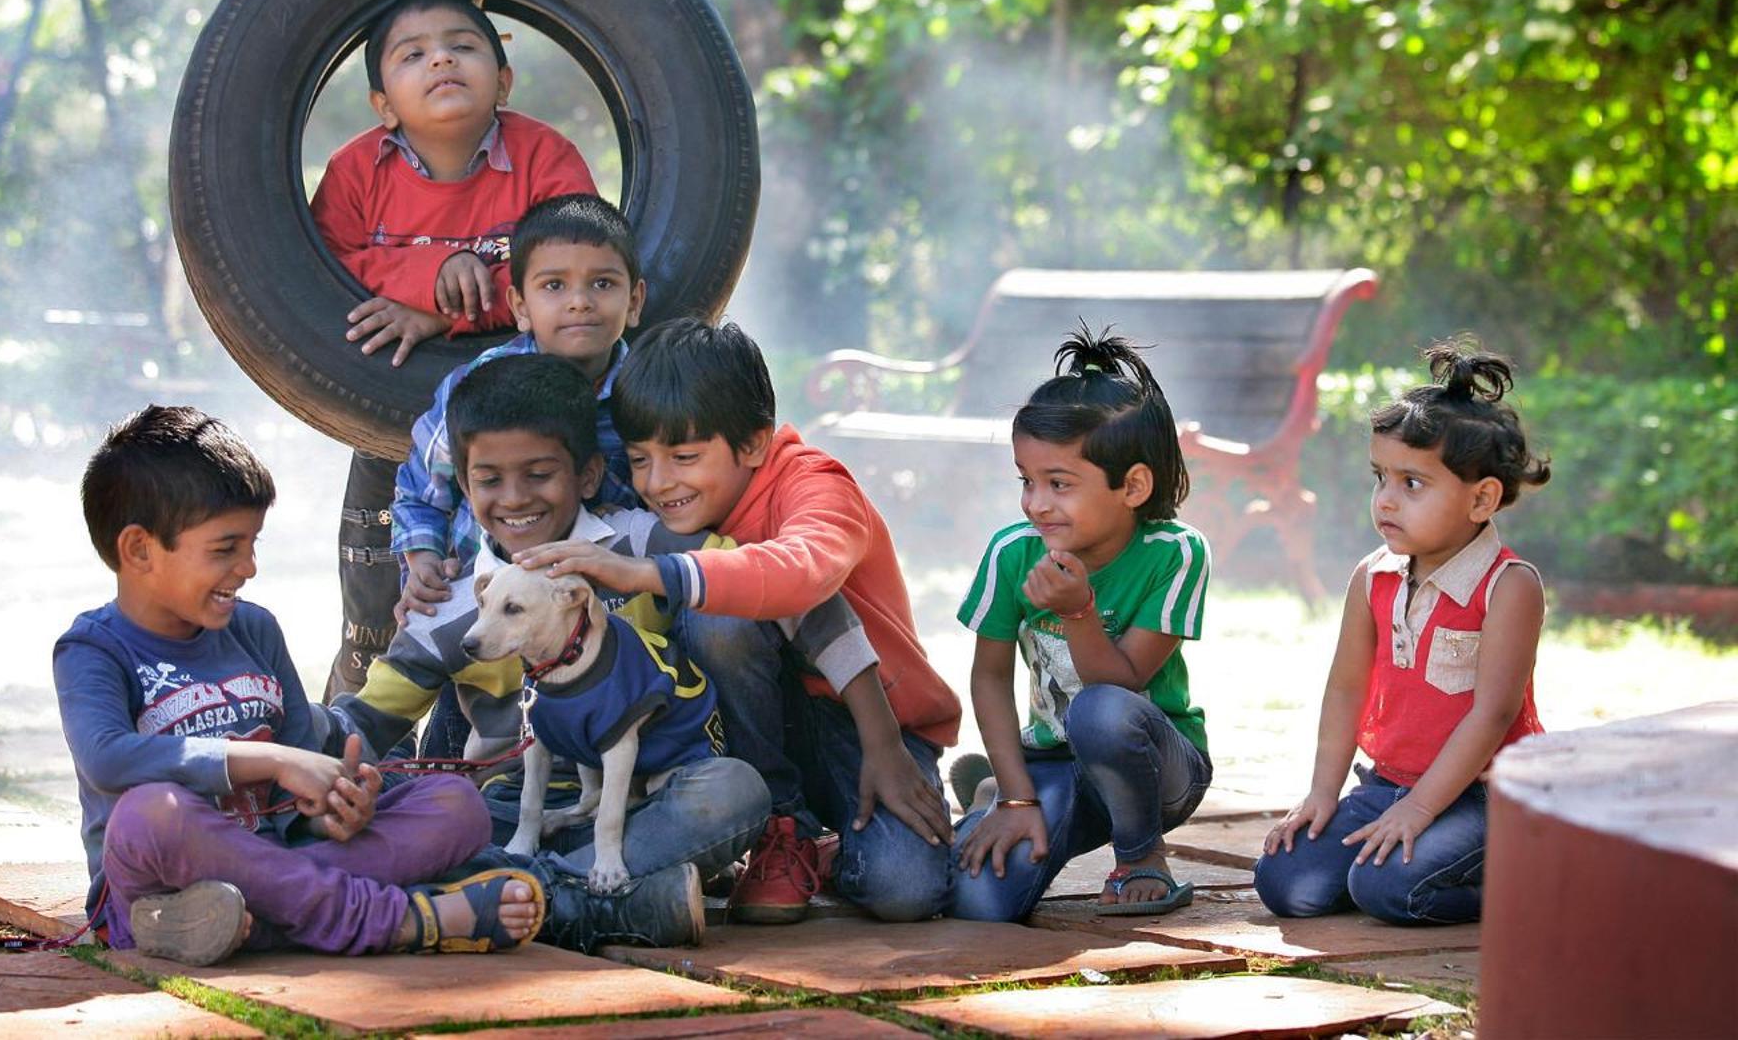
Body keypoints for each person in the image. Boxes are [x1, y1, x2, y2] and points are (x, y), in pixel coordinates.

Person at [332, 354, 869, 951]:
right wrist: (289, 764)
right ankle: (588, 901)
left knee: (735, 792)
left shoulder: (639, 544)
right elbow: (366, 716)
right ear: (464, 484)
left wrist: (882, 736)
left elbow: (788, 592)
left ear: (587, 476)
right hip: (514, 821)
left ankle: (522, 900)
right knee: (433, 808)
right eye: (489, 480)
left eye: (539, 474)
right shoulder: (458, 603)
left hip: (646, 810)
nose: (514, 499)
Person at [52, 405, 541, 965]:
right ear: (139, 549)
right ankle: (400, 918)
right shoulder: (93, 648)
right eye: (225, 548)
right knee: (151, 813)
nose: (249, 567)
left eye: (253, 544)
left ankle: (236, 923)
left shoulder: (254, 629)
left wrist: (332, 809)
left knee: (455, 804)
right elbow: (108, 759)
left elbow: (298, 780)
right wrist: (272, 760)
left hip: (272, 861)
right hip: (154, 877)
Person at [521, 317, 961, 925]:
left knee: (905, 890)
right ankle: (784, 827)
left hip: (867, 723)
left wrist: (885, 747)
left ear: (753, 443)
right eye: (641, 459)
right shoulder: (651, 524)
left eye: (684, 456)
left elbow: (803, 573)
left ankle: (860, 842)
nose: (657, 482)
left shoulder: (815, 485)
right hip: (747, 725)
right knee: (717, 624)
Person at [306, 0, 597, 700]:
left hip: (526, 420)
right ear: (383, 102)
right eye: (413, 54)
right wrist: (424, 277)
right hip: (389, 412)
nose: (440, 57)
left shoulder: (545, 158)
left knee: (528, 587)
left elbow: (579, 270)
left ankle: (528, 732)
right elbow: (314, 270)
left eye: (463, 45)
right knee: (380, 601)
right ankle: (352, 731)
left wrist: (451, 311)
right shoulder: (355, 172)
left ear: (503, 80)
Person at [1255, 341, 1550, 926]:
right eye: (1380, 478)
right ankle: (1408, 860)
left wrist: (1419, 811)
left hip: (1485, 794)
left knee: (1389, 889)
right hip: (1388, 783)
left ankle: (1526, 880)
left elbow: (1492, 714)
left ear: (1481, 498)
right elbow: (1344, 689)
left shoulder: (1508, 586)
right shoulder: (1374, 576)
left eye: (1412, 484)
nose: (1385, 499)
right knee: (1286, 882)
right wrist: (1322, 793)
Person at [946, 327, 1213, 921]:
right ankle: (995, 791)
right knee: (976, 900)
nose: (1035, 504)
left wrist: (1077, 613)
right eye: (1026, 480)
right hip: (1054, 764)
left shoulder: (1175, 554)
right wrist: (1018, 798)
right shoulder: (1012, 554)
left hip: (1156, 767)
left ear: (1133, 486)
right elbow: (989, 678)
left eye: (1059, 484)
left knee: (1099, 711)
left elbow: (1122, 683)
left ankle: (1142, 856)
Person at [391, 193, 647, 617]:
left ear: (634, 301)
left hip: (612, 599)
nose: (579, 301)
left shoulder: (646, 393)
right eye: (554, 285)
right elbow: (421, 493)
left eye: (602, 283)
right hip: (485, 596)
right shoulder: (471, 388)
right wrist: (424, 564)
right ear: (520, 307)